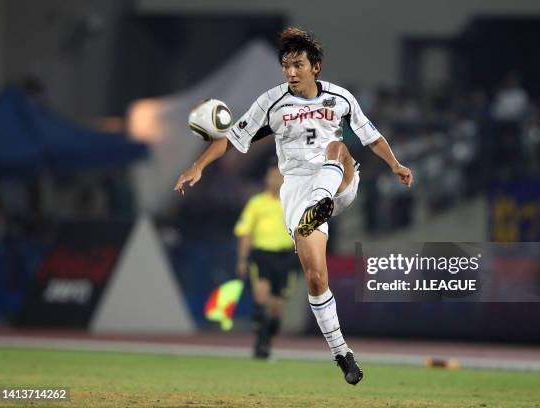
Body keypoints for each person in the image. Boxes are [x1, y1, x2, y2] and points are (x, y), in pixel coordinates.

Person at [175, 27, 413, 385]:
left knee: (339, 147)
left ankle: (321, 202)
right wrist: (198, 165)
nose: (291, 72)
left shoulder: (340, 98)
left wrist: (395, 164)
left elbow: (371, 135)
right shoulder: (271, 103)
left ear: (315, 66)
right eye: (286, 65)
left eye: (298, 65)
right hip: (297, 193)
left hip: (338, 182)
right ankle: (342, 353)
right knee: (316, 277)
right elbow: (232, 139)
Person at [234, 162, 298, 359]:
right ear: (266, 179)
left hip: (285, 256)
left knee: (277, 307)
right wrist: (242, 260)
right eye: (272, 176)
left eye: (278, 176)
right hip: (262, 254)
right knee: (261, 298)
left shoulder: (292, 202)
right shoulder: (256, 203)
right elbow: (245, 233)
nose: (275, 180)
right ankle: (260, 345)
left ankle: (267, 339)